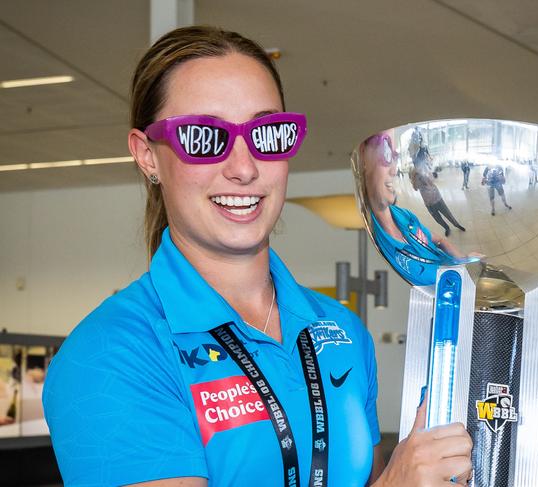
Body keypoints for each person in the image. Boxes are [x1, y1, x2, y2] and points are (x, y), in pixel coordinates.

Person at [42, 26, 472, 487]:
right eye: (203, 138)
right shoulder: (110, 354)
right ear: (147, 156)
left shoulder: (340, 330)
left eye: (267, 133)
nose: (244, 168)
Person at [361, 131, 480, 287]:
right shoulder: (380, 243)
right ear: (362, 158)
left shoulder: (404, 215)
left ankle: (456, 225)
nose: (394, 169)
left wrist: (464, 260)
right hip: (429, 203)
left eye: (395, 157)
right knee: (440, 220)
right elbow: (415, 188)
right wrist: (415, 177)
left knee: (449, 215)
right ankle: (447, 227)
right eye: (386, 152)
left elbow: (439, 240)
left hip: (437, 198)